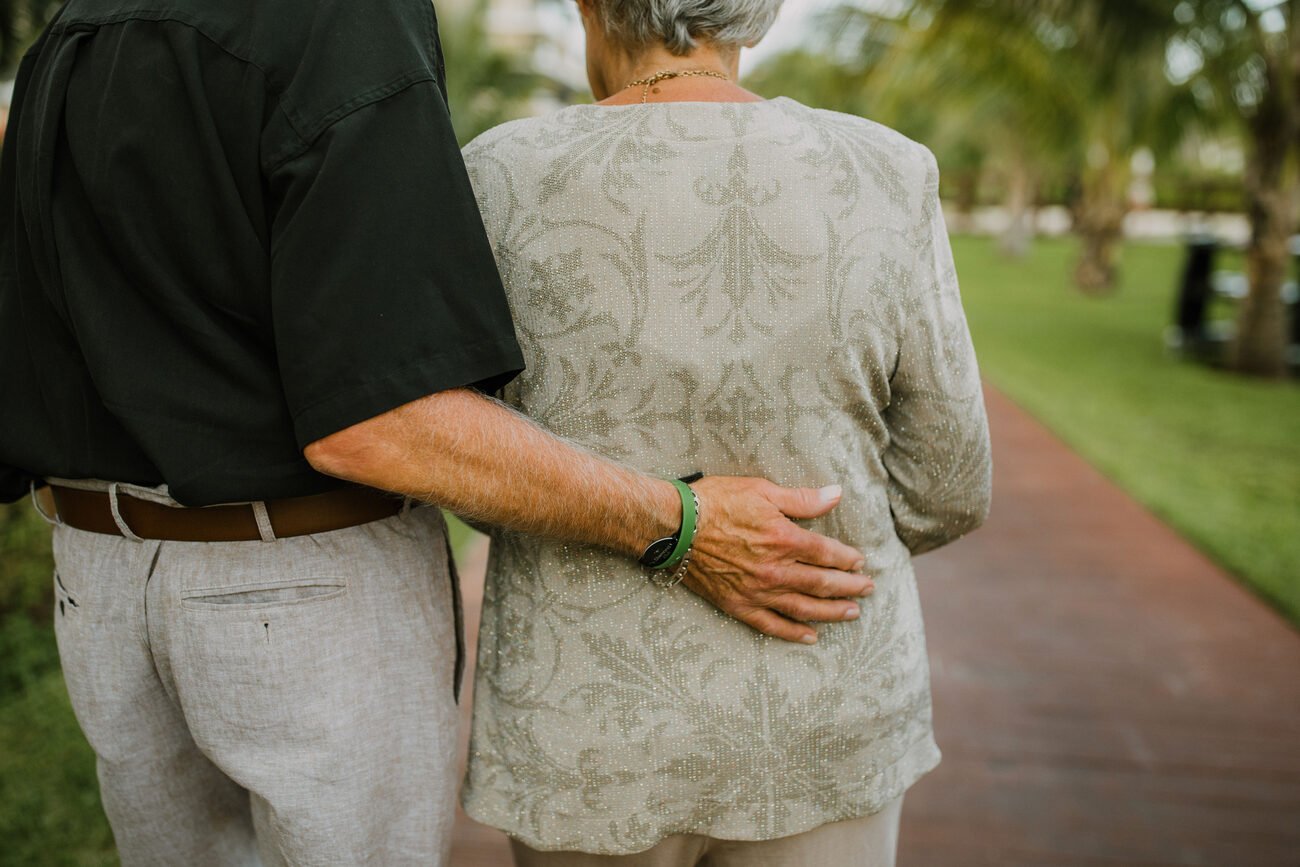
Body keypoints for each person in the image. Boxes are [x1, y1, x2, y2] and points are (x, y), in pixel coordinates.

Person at [0, 0, 874, 863]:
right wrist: (679, 523)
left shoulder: (77, 25)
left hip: (99, 583)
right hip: (292, 594)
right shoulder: (341, 21)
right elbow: (376, 423)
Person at [458, 1, 994, 864]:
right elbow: (949, 489)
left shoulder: (496, 175)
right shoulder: (887, 171)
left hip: (588, 727)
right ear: (760, 15)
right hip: (826, 712)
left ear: (591, 4)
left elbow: (476, 470)